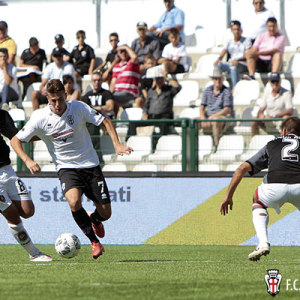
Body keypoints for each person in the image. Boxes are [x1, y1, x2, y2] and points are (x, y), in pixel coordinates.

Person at [11, 79, 133, 259]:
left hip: (90, 165)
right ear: (47, 98)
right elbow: (15, 140)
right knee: (74, 202)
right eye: (53, 100)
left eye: (61, 99)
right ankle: (94, 242)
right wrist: (28, 160)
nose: (58, 104)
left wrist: (117, 144)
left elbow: (104, 121)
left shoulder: (78, 108)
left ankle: (95, 219)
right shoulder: (39, 117)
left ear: (66, 95)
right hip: (66, 168)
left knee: (106, 213)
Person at [220, 116, 300, 261]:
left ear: (283, 131)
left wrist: (228, 196)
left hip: (273, 188)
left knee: (258, 200)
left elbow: (241, 169)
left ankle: (263, 243)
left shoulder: (272, 144)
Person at [0, 109, 52, 262]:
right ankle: (34, 253)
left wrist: (46, 134)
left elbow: (16, 136)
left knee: (28, 211)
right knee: (12, 214)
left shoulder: (1, 115)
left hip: (8, 171)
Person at [127, 70, 181, 148]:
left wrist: (167, 78)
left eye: (161, 78)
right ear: (154, 80)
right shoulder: (151, 91)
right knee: (133, 123)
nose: (159, 80)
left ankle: (159, 146)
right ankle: (129, 144)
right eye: (157, 79)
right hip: (151, 117)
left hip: (164, 117)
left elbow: (178, 87)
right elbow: (146, 105)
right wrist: (144, 113)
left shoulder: (169, 90)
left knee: (163, 124)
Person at [199, 67, 234, 149]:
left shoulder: (226, 91)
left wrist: (213, 116)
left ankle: (217, 146)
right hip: (209, 116)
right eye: (215, 79)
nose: (217, 81)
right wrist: (203, 118)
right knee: (191, 122)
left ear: (222, 79)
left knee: (216, 121)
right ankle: (189, 148)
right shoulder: (207, 90)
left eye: (219, 79)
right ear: (212, 80)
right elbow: (202, 107)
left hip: (223, 117)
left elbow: (227, 109)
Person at [214, 20, 251, 87]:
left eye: (238, 29)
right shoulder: (229, 41)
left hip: (242, 64)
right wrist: (218, 59)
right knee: (218, 65)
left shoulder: (246, 40)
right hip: (231, 63)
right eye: (234, 29)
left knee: (233, 67)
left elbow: (248, 56)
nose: (236, 32)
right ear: (231, 30)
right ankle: (217, 86)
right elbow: (224, 51)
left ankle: (235, 88)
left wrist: (238, 60)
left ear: (241, 30)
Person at [110, 44, 140, 116]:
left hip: (129, 92)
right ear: (118, 53)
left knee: (114, 98)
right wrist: (108, 95)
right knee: (107, 98)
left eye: (125, 51)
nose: (123, 53)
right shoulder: (116, 66)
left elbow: (134, 57)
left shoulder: (132, 63)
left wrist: (126, 47)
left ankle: (114, 120)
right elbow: (113, 83)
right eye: (121, 51)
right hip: (117, 93)